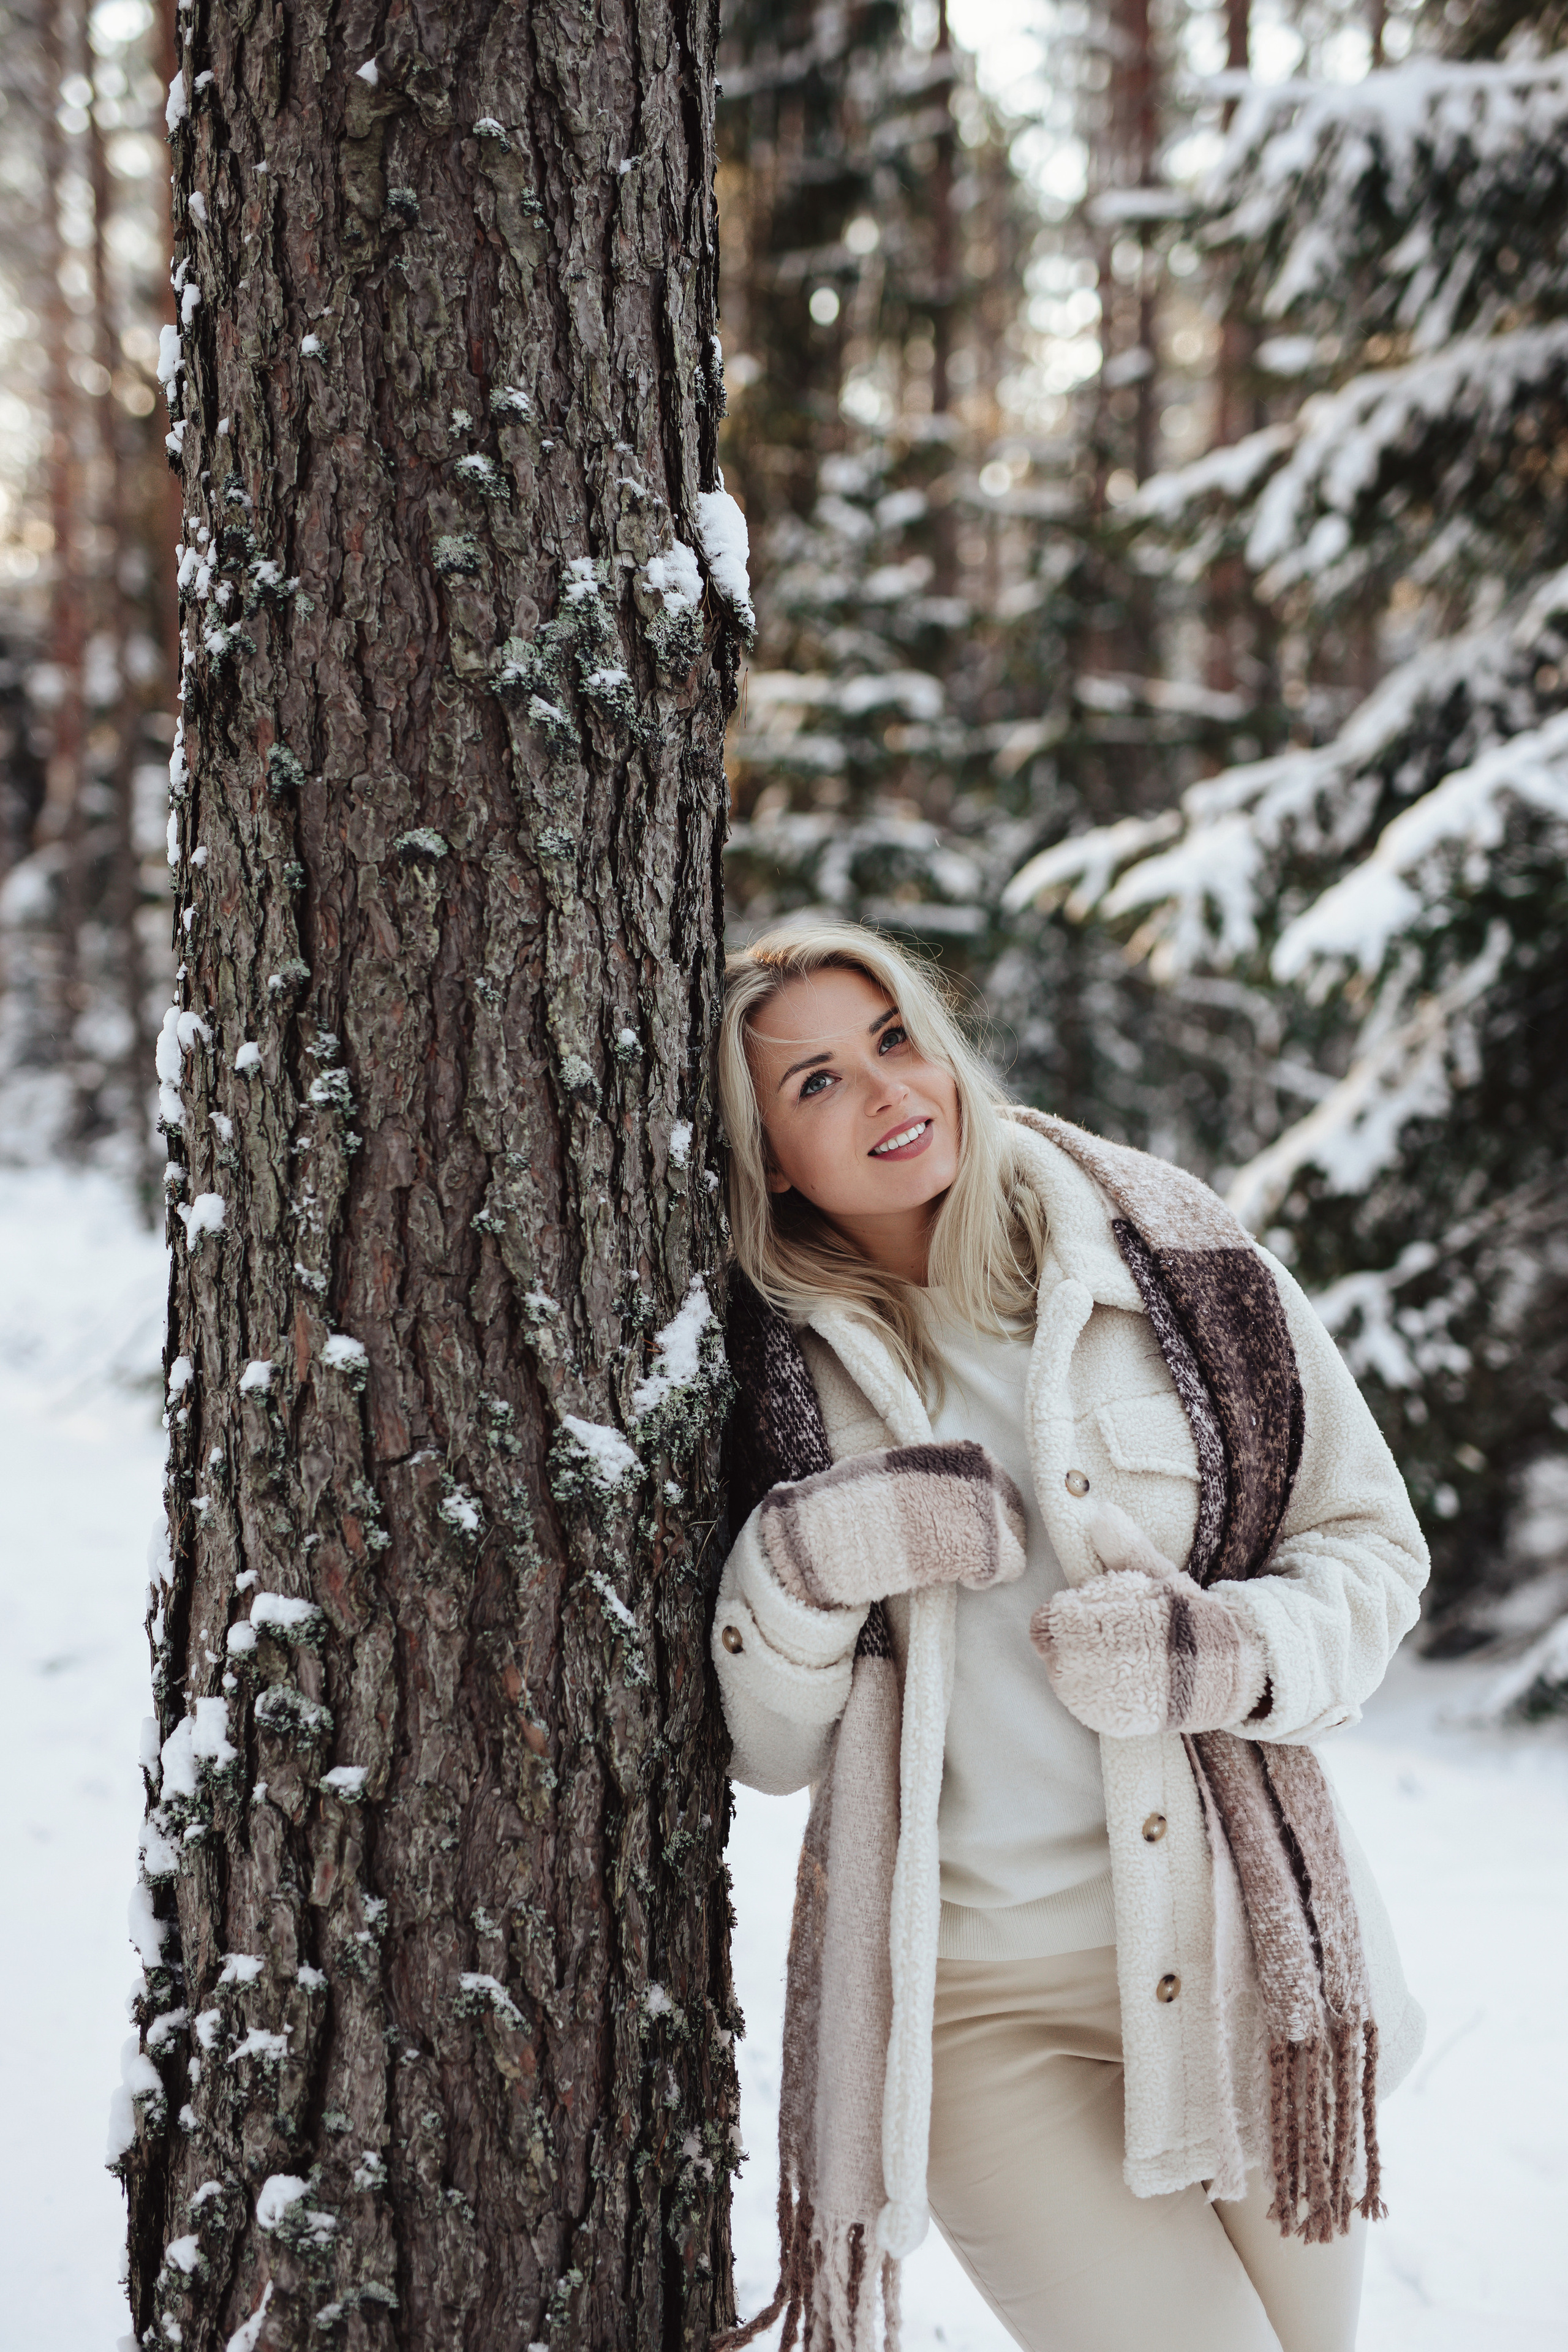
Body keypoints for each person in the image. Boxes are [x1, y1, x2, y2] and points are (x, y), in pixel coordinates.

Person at [710, 918, 1428, 2352]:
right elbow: (772, 1753)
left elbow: (1368, 1551)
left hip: (1243, 1959)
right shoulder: (766, 1366)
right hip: (980, 2014)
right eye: (815, 1085)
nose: (885, 1093)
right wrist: (804, 1560)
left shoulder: (1172, 1258)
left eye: (894, 1041)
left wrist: (1220, 1652)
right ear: (771, 1162)